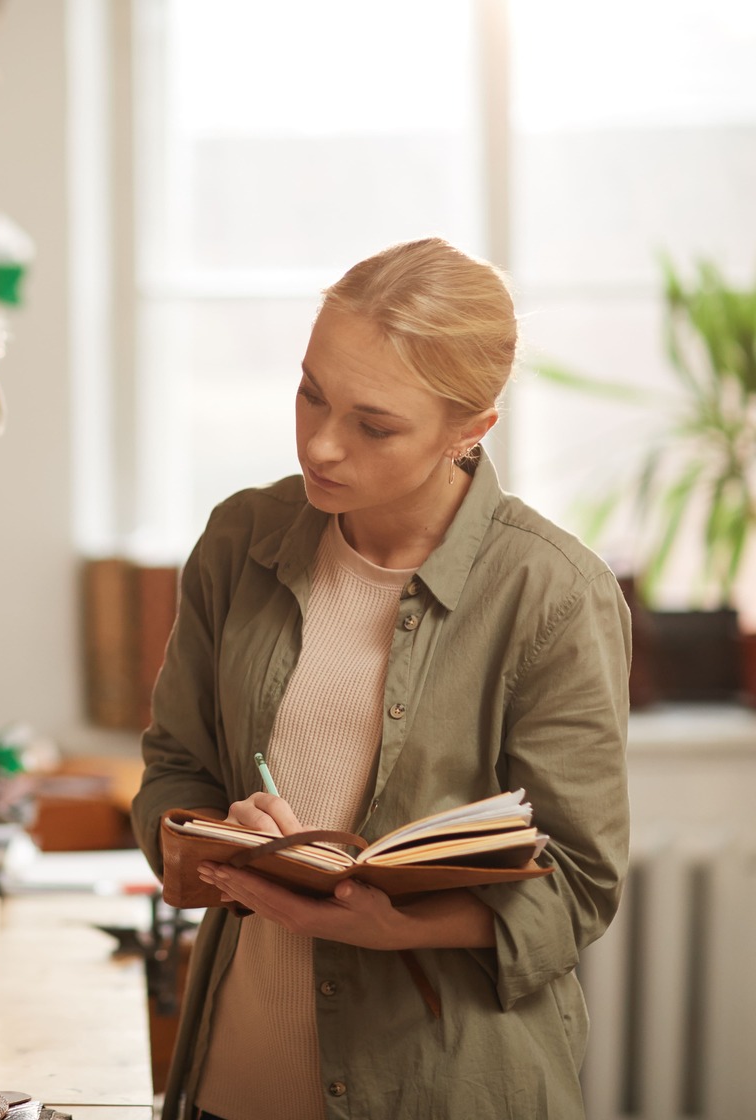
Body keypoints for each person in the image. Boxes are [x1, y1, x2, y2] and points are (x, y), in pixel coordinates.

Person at [132, 237, 631, 1120]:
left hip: (442, 1089)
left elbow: (580, 884)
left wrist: (391, 927)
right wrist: (217, 834)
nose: (321, 445)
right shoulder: (239, 540)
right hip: (228, 1087)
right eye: (310, 392)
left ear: (470, 430)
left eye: (375, 424)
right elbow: (174, 768)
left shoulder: (552, 593)